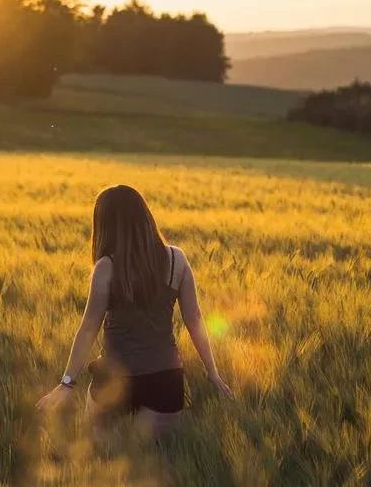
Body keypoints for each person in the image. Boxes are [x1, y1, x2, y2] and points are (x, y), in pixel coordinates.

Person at [36, 184, 232, 438]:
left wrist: (66, 384)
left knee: (105, 462)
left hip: (115, 382)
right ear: (145, 216)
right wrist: (212, 373)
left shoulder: (106, 268)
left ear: (105, 225)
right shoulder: (177, 260)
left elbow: (88, 329)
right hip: (165, 382)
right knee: (159, 464)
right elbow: (194, 319)